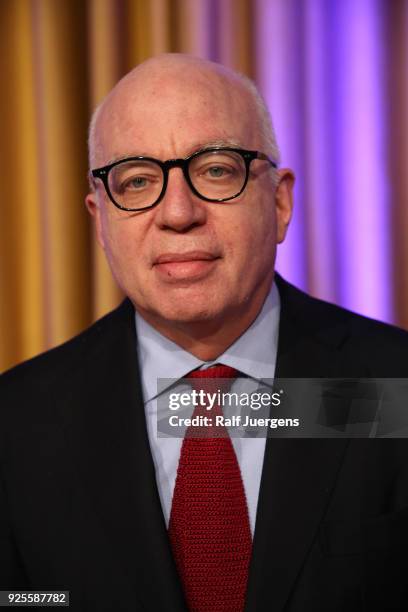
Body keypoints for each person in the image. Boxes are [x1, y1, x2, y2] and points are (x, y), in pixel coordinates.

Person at [1, 53, 408, 612]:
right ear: (100, 221)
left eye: (217, 169)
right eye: (138, 181)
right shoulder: (17, 423)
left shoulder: (394, 387)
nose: (177, 212)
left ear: (280, 201)